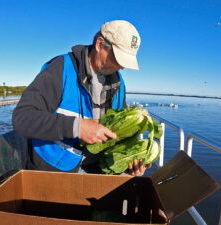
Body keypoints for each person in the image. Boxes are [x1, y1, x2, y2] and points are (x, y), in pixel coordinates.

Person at [12, 20, 150, 176]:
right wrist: (78, 128)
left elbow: (119, 135)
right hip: (56, 168)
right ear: (100, 44)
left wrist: (131, 161)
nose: (122, 66)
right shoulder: (61, 68)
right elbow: (22, 118)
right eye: (118, 58)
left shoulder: (119, 83)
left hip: (100, 166)